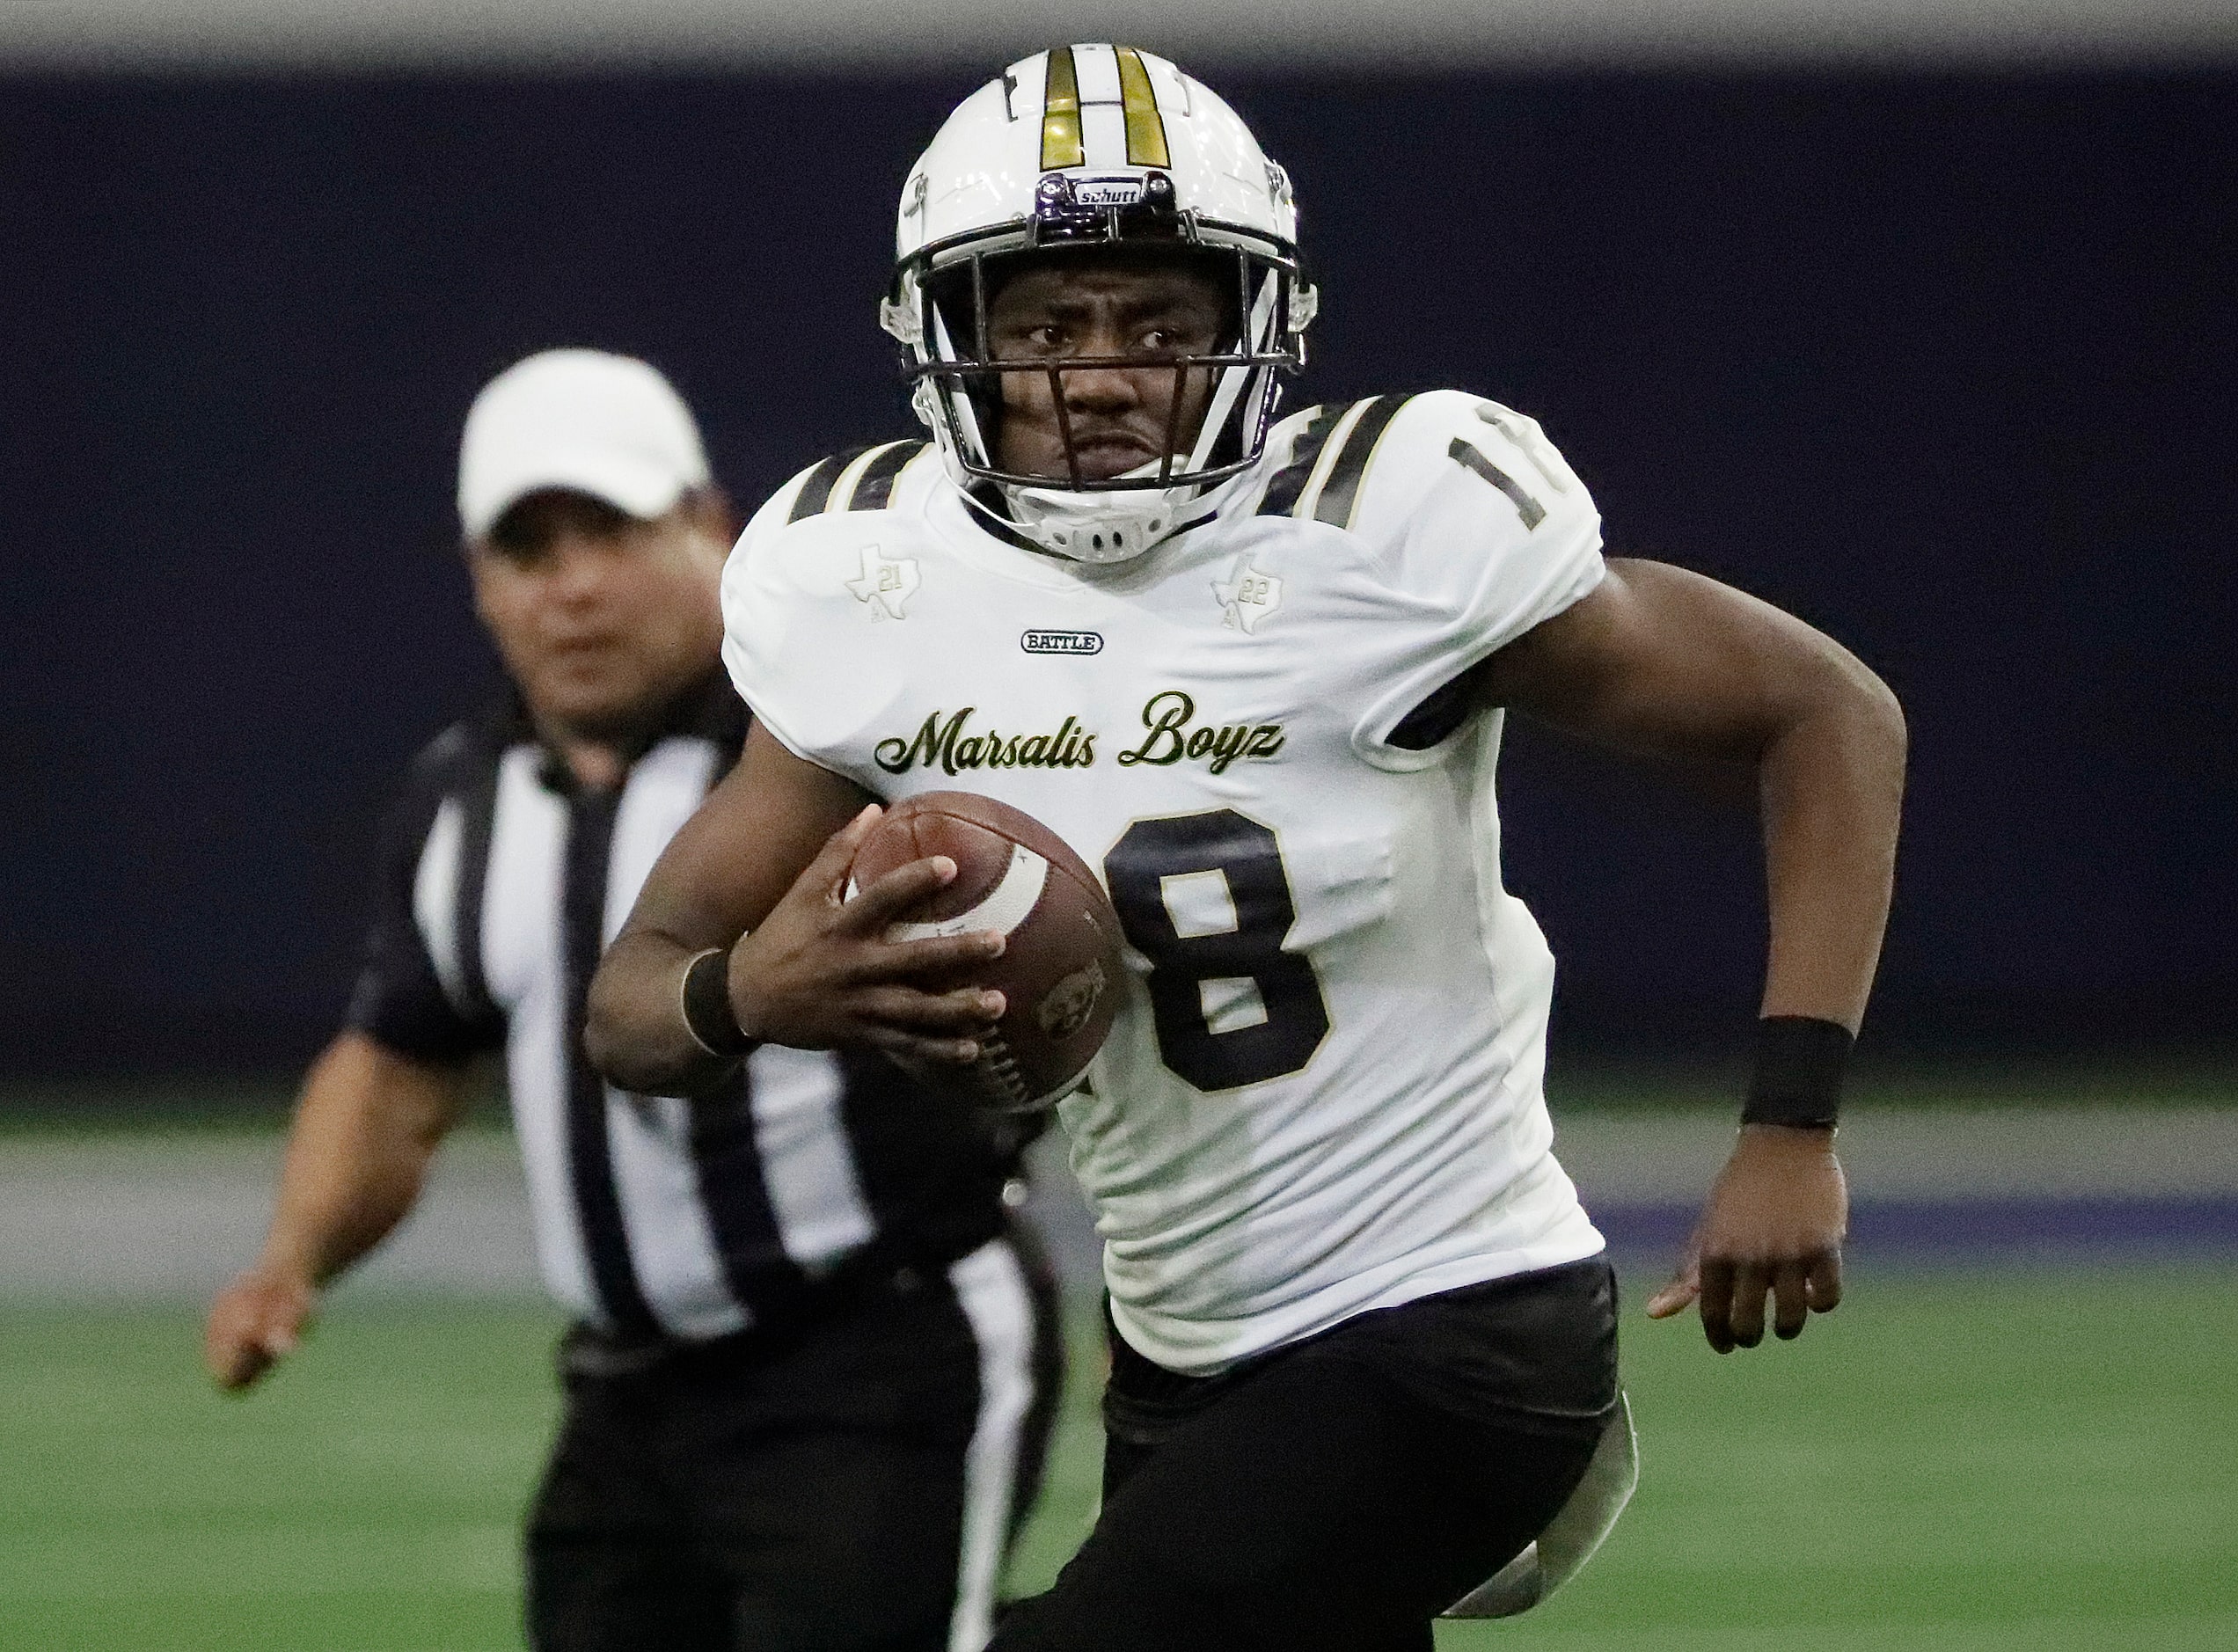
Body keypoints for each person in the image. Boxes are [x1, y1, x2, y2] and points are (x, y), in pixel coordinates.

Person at [586, 44, 1905, 1652]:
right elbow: (630, 1006)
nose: (1103, 373)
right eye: (1046, 325)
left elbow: (1828, 715)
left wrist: (1791, 1122)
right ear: (955, 342)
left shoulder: (1389, 523)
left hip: (1453, 1322)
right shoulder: (867, 584)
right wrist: (755, 992)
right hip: (1184, 1354)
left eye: (1159, 320)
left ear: (1252, 326)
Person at [204, 348, 1061, 1652]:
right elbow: (396, 1070)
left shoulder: (848, 752)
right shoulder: (460, 804)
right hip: (629, 1391)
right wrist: (293, 1258)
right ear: (481, 586)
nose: (576, 586)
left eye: (611, 530)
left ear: (711, 529)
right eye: (530, 550)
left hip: (878, 1353)